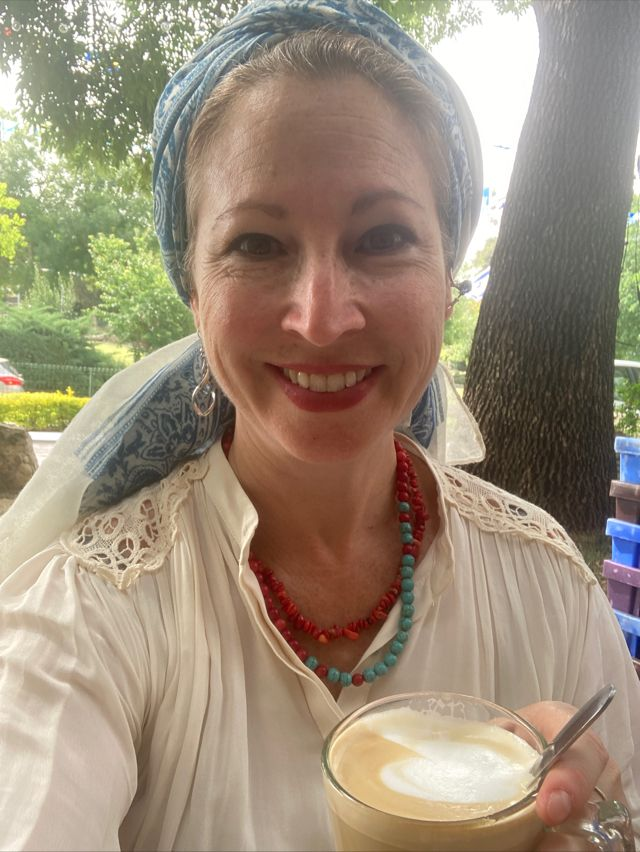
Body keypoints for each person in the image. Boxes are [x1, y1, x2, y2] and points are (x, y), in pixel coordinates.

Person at [0, 1, 638, 849]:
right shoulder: (82, 622)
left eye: (383, 236)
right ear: (193, 287)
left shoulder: (548, 589)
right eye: (257, 245)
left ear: (448, 275)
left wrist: (603, 829)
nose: (323, 318)